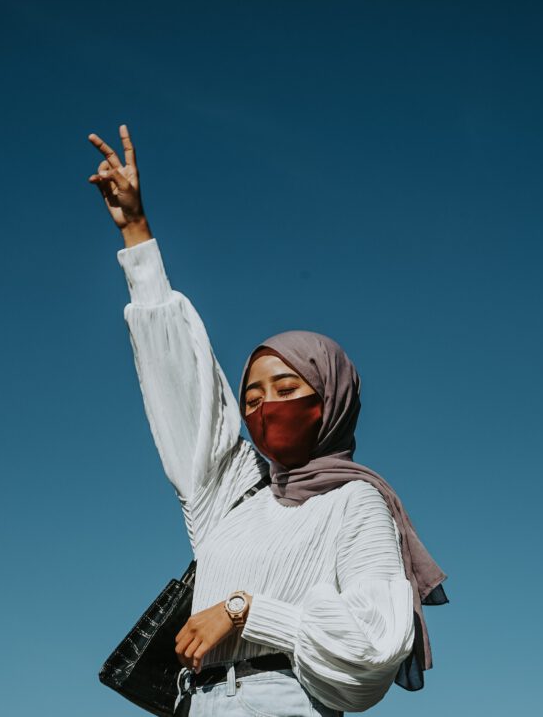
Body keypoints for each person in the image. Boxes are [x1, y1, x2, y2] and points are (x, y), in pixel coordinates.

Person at [87, 124, 448, 715]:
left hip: (284, 701)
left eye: (286, 388)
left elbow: (376, 643)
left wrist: (246, 610)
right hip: (194, 703)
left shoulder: (355, 504)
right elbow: (184, 384)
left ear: (329, 401)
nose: (263, 406)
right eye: (251, 395)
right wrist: (136, 233)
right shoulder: (230, 499)